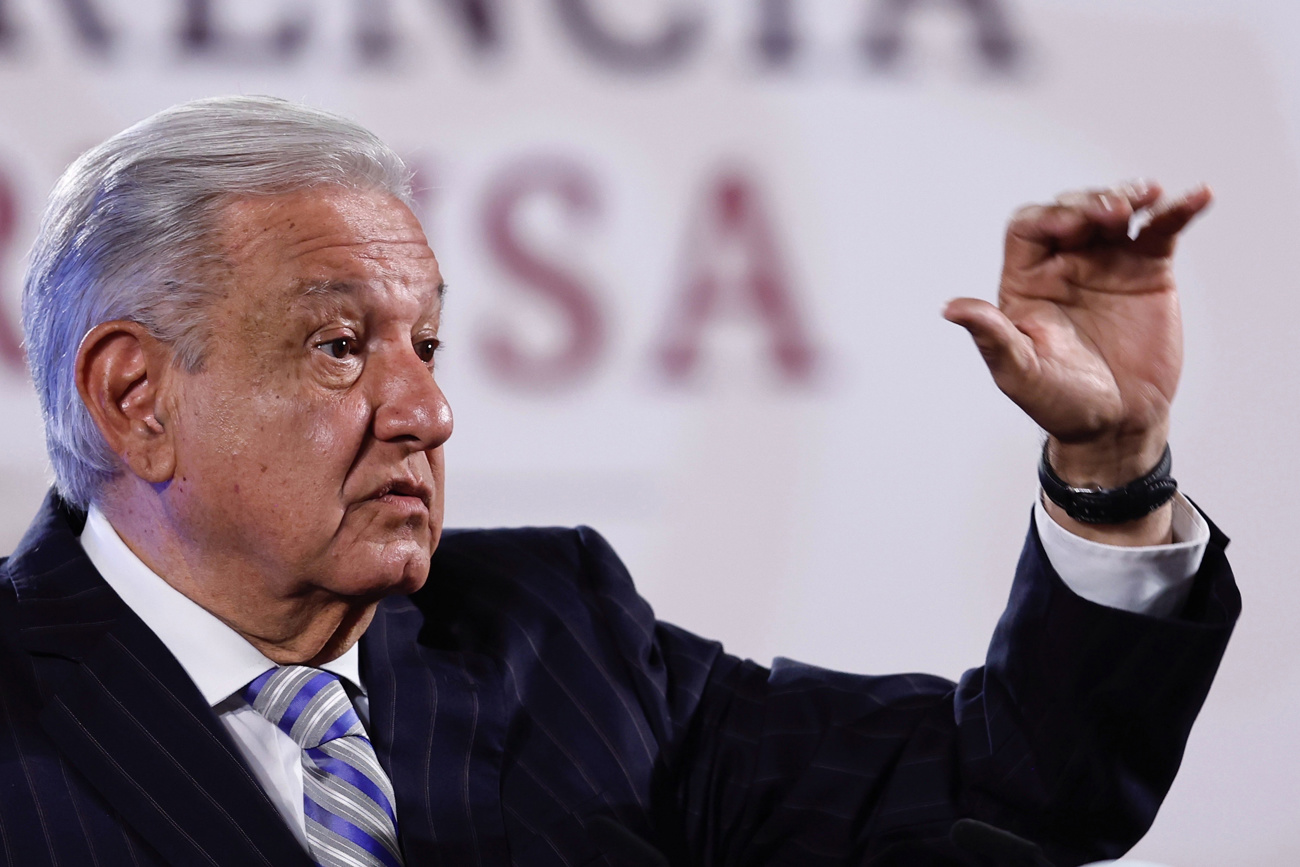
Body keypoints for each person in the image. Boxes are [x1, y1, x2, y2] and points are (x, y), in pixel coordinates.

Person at [0, 96, 1237, 867]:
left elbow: (1018, 800)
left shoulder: (558, 631)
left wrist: (1110, 468)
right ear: (134, 398)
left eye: (427, 344)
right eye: (338, 346)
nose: (428, 411)